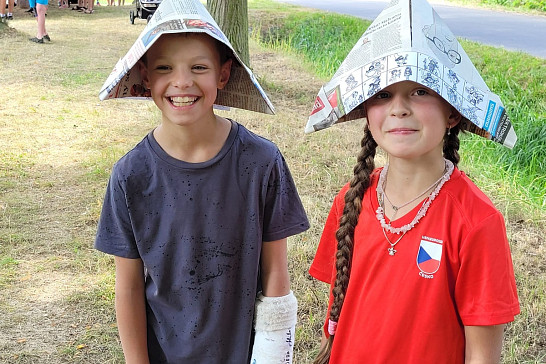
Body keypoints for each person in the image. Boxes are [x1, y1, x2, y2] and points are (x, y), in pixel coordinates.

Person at [94, 0, 309, 362]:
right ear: (145, 76)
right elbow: (128, 286)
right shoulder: (130, 176)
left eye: (199, 67)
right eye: (164, 68)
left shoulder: (261, 162)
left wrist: (273, 354)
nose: (182, 81)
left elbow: (275, 272)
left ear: (223, 75)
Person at [305, 0, 520, 362]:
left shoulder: (477, 222)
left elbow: (482, 356)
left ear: (452, 111)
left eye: (420, 91)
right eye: (383, 94)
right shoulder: (350, 200)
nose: (399, 107)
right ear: (366, 111)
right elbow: (338, 313)